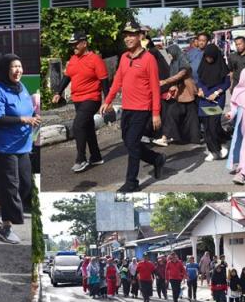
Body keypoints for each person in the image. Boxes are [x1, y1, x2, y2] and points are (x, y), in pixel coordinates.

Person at [101, 22, 165, 192]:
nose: (128, 38)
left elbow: (155, 88)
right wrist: (107, 100)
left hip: (142, 109)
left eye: (132, 35)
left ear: (140, 36)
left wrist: (156, 113)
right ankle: (156, 159)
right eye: (126, 35)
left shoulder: (149, 59)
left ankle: (131, 182)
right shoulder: (124, 57)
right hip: (127, 108)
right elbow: (117, 81)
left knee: (132, 142)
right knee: (129, 142)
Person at [0, 54, 38, 244]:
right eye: (13, 67)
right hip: (4, 147)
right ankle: (5, 228)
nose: (18, 70)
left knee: (26, 185)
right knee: (10, 188)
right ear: (5, 69)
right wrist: (22, 119)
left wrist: (34, 117)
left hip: (23, 146)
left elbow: (28, 110)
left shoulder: (22, 88)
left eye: (20, 66)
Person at [52, 33, 108, 172]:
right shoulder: (73, 59)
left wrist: (107, 101)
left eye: (76, 44)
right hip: (77, 99)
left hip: (92, 98)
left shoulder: (95, 59)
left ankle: (81, 159)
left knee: (78, 125)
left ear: (84, 43)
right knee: (87, 127)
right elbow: (66, 77)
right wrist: (58, 92)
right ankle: (96, 157)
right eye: (72, 45)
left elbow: (104, 81)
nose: (74, 47)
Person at [154, 44, 199, 146]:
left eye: (170, 53)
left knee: (173, 114)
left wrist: (166, 81)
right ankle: (189, 137)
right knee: (188, 116)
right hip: (180, 93)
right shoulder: (174, 62)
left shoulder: (183, 61)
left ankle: (166, 137)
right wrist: (172, 87)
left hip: (186, 92)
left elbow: (180, 74)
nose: (169, 55)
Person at [197, 43, 231, 162]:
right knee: (206, 127)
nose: (208, 59)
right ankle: (212, 150)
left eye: (211, 57)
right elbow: (200, 80)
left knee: (213, 126)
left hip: (216, 99)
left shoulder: (222, 66)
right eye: (207, 57)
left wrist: (216, 93)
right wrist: (200, 90)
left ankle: (221, 143)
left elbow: (227, 83)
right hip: (204, 100)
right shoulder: (203, 65)